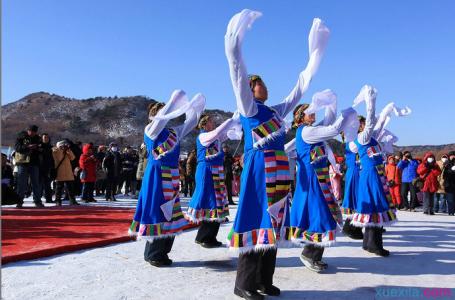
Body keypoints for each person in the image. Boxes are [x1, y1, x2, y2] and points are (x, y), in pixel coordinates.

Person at [225, 9, 330, 299]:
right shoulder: (249, 108)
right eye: (260, 83)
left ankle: (263, 279)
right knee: (255, 220)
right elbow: (237, 72)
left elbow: (298, 91)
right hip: (259, 169)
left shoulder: (275, 111)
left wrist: (313, 61)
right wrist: (235, 42)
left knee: (273, 223)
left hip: (279, 172)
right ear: (251, 88)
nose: (265, 86)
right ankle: (243, 283)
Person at [129, 90, 205, 267]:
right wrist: (173, 103)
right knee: (157, 210)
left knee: (170, 211)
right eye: (162, 112)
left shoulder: (172, 132)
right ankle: (153, 252)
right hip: (156, 175)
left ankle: (163, 250)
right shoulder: (151, 130)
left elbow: (191, 122)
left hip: (171, 175)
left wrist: (195, 107)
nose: (166, 116)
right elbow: (160, 119)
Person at [286, 90, 356, 272]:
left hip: (318, 178)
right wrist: (346, 114)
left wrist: (332, 103)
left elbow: (329, 122)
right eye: (309, 112)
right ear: (300, 117)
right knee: (320, 216)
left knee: (323, 215)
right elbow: (333, 129)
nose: (313, 114)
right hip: (312, 180)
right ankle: (309, 254)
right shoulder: (308, 132)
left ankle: (315, 254)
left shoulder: (311, 130)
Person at [349, 85, 399, 257]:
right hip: (371, 175)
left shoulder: (371, 138)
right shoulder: (362, 138)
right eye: (361, 123)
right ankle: (372, 243)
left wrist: (390, 109)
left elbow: (377, 122)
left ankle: (371, 242)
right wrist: (370, 102)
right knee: (374, 206)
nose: (365, 124)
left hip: (377, 174)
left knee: (376, 207)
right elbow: (371, 121)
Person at [187, 115, 236, 248]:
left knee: (217, 201)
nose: (213, 123)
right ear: (204, 124)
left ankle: (208, 236)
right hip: (207, 171)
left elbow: (224, 134)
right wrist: (229, 121)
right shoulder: (203, 136)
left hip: (216, 170)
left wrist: (237, 120)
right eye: (210, 121)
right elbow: (218, 133)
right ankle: (205, 237)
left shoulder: (215, 138)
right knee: (210, 201)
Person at [14, 125, 44, 208]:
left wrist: (38, 148)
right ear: (28, 130)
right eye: (31, 131)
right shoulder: (21, 137)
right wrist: (27, 147)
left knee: (36, 183)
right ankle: (19, 201)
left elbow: (42, 149)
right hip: (23, 163)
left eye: (34, 132)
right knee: (22, 183)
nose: (33, 133)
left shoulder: (38, 138)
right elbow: (17, 148)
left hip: (34, 163)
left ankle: (37, 201)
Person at [52, 140, 79, 206]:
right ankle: (58, 201)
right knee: (59, 188)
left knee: (70, 188)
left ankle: (72, 201)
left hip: (68, 172)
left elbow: (73, 158)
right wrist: (61, 150)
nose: (65, 146)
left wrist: (68, 150)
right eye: (63, 145)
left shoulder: (67, 151)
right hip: (60, 172)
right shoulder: (55, 151)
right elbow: (58, 158)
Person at [40, 133, 55, 203]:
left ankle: (49, 199)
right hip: (39, 167)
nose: (46, 139)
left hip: (48, 168)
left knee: (48, 185)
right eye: (44, 137)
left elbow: (53, 159)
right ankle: (37, 199)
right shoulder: (39, 147)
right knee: (38, 184)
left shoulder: (51, 147)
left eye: (47, 137)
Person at [443, 151, 455, 216]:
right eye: (451, 155)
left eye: (454, 155)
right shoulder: (446, 163)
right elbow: (444, 174)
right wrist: (451, 170)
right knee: (450, 199)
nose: (453, 156)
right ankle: (451, 212)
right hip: (449, 184)